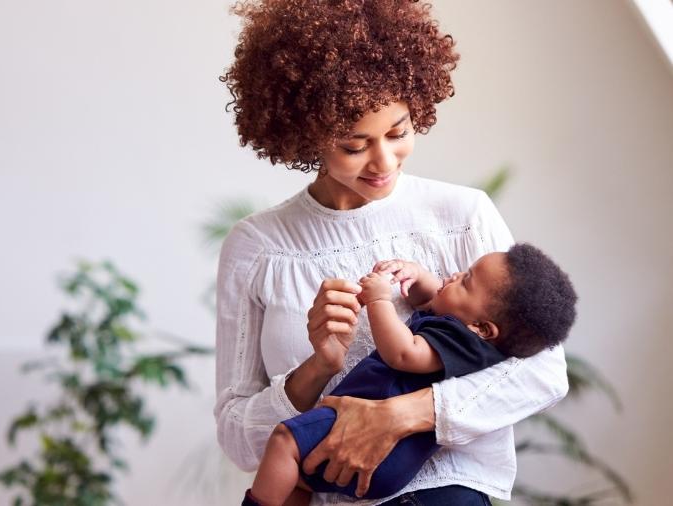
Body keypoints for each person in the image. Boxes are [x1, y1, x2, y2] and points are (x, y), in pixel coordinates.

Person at [214, 1, 569, 505]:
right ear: (304, 133)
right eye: (354, 145)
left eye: (399, 133)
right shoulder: (258, 249)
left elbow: (543, 371)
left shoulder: (462, 215)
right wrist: (317, 367)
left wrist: (403, 416)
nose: (384, 161)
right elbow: (235, 436)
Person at [243, 246, 578, 505]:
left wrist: (378, 300)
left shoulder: (460, 341)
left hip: (384, 454)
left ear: (482, 329)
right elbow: (433, 297)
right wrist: (415, 274)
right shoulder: (469, 333)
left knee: (284, 440)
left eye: (466, 280)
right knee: (301, 477)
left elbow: (403, 353)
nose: (454, 275)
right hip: (388, 462)